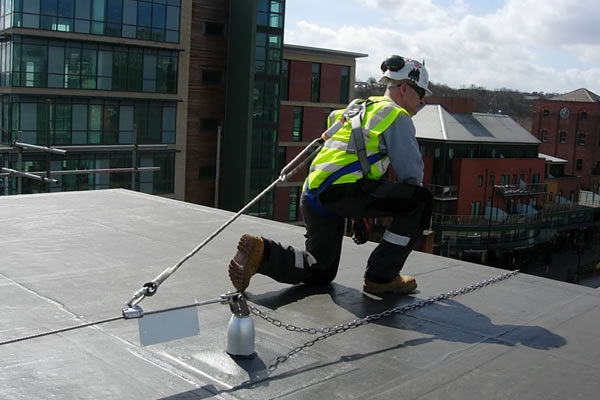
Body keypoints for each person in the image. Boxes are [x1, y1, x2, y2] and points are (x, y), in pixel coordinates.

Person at [228, 55, 433, 295]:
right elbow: (411, 177)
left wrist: (360, 215)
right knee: (420, 201)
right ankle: (382, 276)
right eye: (421, 93)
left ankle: (263, 252)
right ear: (405, 87)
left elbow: (352, 161)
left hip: (314, 193)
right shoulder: (396, 116)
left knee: (321, 269)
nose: (422, 100)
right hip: (343, 192)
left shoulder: (356, 108)